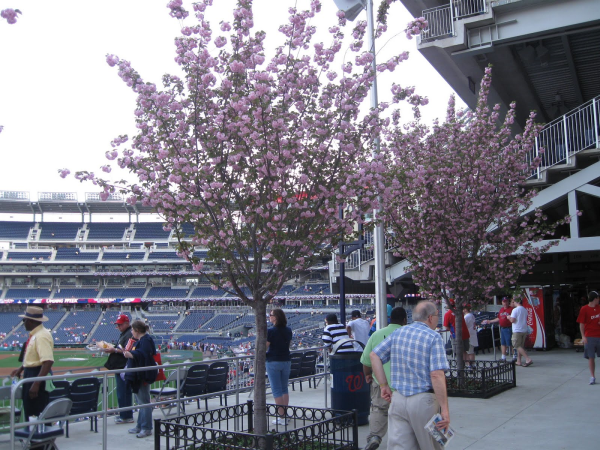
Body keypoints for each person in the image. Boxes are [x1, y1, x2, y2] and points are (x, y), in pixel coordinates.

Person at [371, 301, 450, 450]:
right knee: (431, 446)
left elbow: (374, 356)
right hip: (423, 401)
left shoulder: (398, 332)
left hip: (398, 400)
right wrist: (445, 410)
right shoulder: (433, 337)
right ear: (431, 318)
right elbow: (436, 375)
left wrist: (383, 386)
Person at [360, 307, 407, 450]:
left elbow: (366, 361)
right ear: (405, 320)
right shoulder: (408, 335)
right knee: (403, 417)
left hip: (381, 383)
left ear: (390, 319)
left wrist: (368, 374)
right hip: (403, 385)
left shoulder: (377, 334)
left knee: (379, 410)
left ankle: (375, 436)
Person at [11, 306, 54, 420]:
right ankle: (34, 435)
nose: (23, 323)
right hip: (33, 374)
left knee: (35, 410)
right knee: (30, 408)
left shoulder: (41, 336)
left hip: (36, 375)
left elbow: (48, 361)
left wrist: (36, 384)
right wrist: (21, 368)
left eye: (24, 320)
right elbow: (34, 358)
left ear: (31, 321)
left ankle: (38, 436)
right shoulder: (36, 334)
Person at [123, 320, 158, 438]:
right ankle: (140, 425)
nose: (131, 331)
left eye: (132, 329)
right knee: (140, 402)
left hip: (143, 375)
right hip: (140, 375)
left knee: (144, 402)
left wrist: (131, 355)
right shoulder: (143, 340)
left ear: (137, 330)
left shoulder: (146, 340)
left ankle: (146, 428)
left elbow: (144, 355)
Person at [102, 314, 134, 424]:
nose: (118, 326)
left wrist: (114, 350)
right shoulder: (126, 333)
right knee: (125, 392)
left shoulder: (129, 333)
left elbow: (127, 351)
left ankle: (125, 416)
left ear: (126, 323)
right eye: (118, 325)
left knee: (122, 393)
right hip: (122, 367)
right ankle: (127, 415)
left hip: (122, 367)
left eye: (120, 324)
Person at [266, 309, 293, 425]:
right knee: (284, 388)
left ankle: (282, 417)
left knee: (276, 390)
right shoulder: (288, 330)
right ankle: (285, 415)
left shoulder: (271, 331)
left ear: (275, 317)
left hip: (273, 361)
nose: (269, 317)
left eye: (270, 315)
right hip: (286, 360)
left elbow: (265, 346)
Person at [576, 291, 600, 384]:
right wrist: (583, 336)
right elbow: (581, 324)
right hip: (589, 336)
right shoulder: (584, 309)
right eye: (598, 298)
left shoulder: (599, 308)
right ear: (595, 299)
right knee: (591, 357)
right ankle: (592, 376)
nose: (599, 300)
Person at [482, 297, 514, 361]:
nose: (505, 303)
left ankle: (514, 356)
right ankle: (503, 357)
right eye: (504, 301)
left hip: (509, 328)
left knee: (510, 343)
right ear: (502, 302)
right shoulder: (501, 309)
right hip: (502, 328)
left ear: (508, 302)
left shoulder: (511, 309)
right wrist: (490, 321)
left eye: (506, 301)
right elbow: (499, 318)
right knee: (503, 343)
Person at [508, 297, 533, 367]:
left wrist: (509, 317)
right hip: (524, 329)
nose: (512, 302)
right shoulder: (524, 309)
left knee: (516, 345)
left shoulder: (515, 310)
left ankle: (527, 359)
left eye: (513, 301)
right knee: (521, 346)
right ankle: (519, 361)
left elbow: (512, 320)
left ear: (516, 302)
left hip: (517, 330)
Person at [463, 305, 478, 369]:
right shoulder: (471, 315)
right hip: (472, 334)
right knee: (470, 351)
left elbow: (464, 325)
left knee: (470, 352)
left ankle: (471, 365)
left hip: (469, 335)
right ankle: (472, 364)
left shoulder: (467, 316)